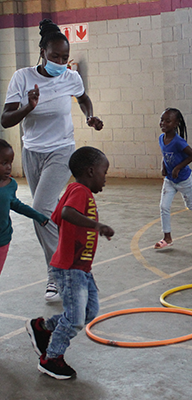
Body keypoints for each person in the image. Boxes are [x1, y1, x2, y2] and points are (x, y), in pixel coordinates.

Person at [1, 19, 103, 302]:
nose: (60, 61)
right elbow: (6, 119)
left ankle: (59, 273)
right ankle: (60, 268)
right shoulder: (22, 78)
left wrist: (89, 115)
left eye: (64, 57)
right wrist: (28, 107)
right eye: (55, 56)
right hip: (32, 151)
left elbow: (83, 98)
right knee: (48, 215)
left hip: (61, 151)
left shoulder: (70, 77)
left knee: (40, 209)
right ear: (42, 51)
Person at [25, 146, 114, 379]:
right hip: (69, 268)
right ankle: (51, 358)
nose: (106, 177)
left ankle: (42, 327)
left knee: (89, 311)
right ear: (91, 171)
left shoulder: (78, 191)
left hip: (82, 268)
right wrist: (97, 226)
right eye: (105, 172)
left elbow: (56, 216)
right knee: (75, 318)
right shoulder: (80, 190)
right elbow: (64, 213)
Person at [154, 108, 192, 249]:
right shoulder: (161, 138)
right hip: (169, 180)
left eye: (168, 121)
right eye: (162, 120)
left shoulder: (179, 142)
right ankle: (167, 237)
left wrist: (178, 167)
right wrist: (164, 166)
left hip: (184, 180)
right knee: (164, 207)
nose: (163, 123)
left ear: (176, 124)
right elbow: (165, 154)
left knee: (190, 204)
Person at [0, 139, 49, 274]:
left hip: (2, 240)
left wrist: (38, 216)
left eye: (10, 162)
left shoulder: (10, 185)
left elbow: (16, 205)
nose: (9, 167)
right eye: (4, 163)